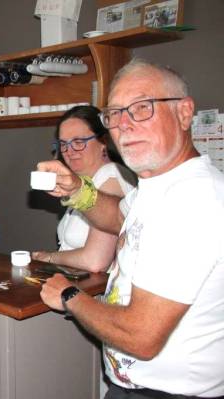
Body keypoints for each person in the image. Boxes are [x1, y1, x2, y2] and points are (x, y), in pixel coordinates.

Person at [38, 59, 224, 398]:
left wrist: (69, 296)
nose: (123, 124)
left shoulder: (193, 199)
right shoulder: (157, 185)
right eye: (114, 114)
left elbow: (141, 336)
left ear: (184, 113)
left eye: (141, 108)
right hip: (131, 387)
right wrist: (77, 190)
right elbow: (119, 218)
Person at [32, 106, 135, 272]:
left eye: (78, 142)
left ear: (103, 142)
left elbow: (96, 261)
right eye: (63, 144)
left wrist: (49, 257)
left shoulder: (111, 176)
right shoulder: (84, 182)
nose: (69, 151)